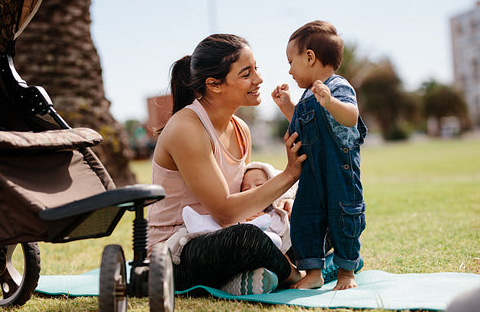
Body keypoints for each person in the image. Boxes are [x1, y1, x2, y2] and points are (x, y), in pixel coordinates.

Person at [146, 34, 307, 295]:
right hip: (175, 253)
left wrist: (277, 207)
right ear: (215, 84)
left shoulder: (240, 128)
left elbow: (241, 201)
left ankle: (246, 278)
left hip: (223, 232)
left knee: (318, 214)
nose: (259, 79)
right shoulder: (186, 128)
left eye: (257, 69)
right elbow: (225, 212)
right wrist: (289, 174)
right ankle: (295, 275)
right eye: (246, 73)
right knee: (247, 240)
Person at [272, 20, 368, 291]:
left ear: (310, 57)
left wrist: (330, 102)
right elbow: (306, 127)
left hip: (340, 174)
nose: (289, 70)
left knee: (344, 219)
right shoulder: (305, 97)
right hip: (313, 176)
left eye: (291, 61)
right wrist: (287, 107)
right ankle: (313, 273)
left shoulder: (338, 87)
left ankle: (347, 273)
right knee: (305, 219)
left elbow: (351, 117)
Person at [182, 162, 296, 252]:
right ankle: (201, 224)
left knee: (273, 240)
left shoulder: (274, 212)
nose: (253, 190)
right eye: (246, 189)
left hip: (263, 241)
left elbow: (283, 229)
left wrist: (267, 219)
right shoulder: (243, 210)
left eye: (260, 185)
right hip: (238, 233)